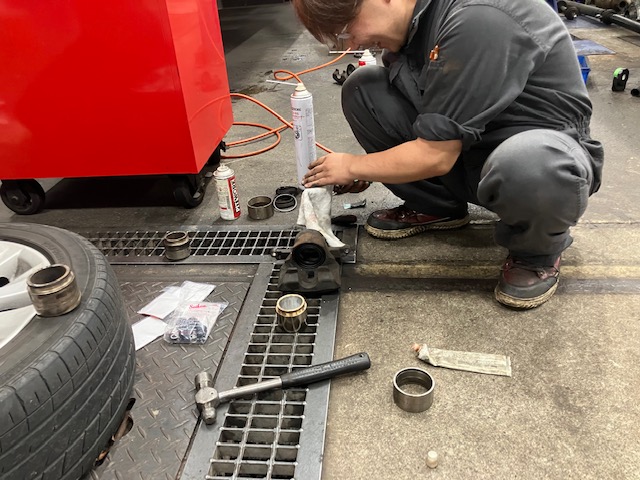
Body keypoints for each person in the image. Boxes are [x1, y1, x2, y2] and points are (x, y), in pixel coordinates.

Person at [293, 0, 604, 309]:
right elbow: (435, 123)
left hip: (536, 168)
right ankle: (436, 206)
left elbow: (435, 155)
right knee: (364, 87)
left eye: (348, 30)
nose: (354, 44)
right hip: (468, 153)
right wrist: (369, 170)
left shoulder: (479, 18)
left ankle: (536, 251)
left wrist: (354, 165)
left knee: (529, 164)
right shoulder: (412, 31)